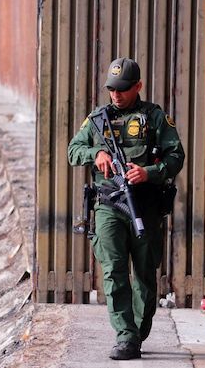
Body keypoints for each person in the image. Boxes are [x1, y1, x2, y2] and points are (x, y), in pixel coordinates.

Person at [67, 57, 185, 360]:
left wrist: (149, 173)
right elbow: (73, 150)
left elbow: (176, 156)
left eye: (122, 89)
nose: (116, 95)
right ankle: (125, 335)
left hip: (145, 205)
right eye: (111, 89)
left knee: (145, 274)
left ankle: (137, 332)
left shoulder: (154, 117)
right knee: (113, 270)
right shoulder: (97, 119)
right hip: (109, 204)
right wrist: (97, 154)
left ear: (138, 86)